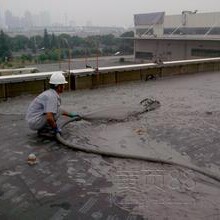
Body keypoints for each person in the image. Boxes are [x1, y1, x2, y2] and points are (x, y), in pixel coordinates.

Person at [26, 72, 80, 137]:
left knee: (58, 110)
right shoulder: (52, 97)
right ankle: (46, 131)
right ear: (59, 86)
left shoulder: (50, 93)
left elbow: (60, 110)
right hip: (35, 122)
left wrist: (71, 115)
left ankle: (44, 129)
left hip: (34, 120)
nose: (64, 87)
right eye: (63, 85)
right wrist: (55, 128)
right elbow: (49, 117)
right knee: (53, 114)